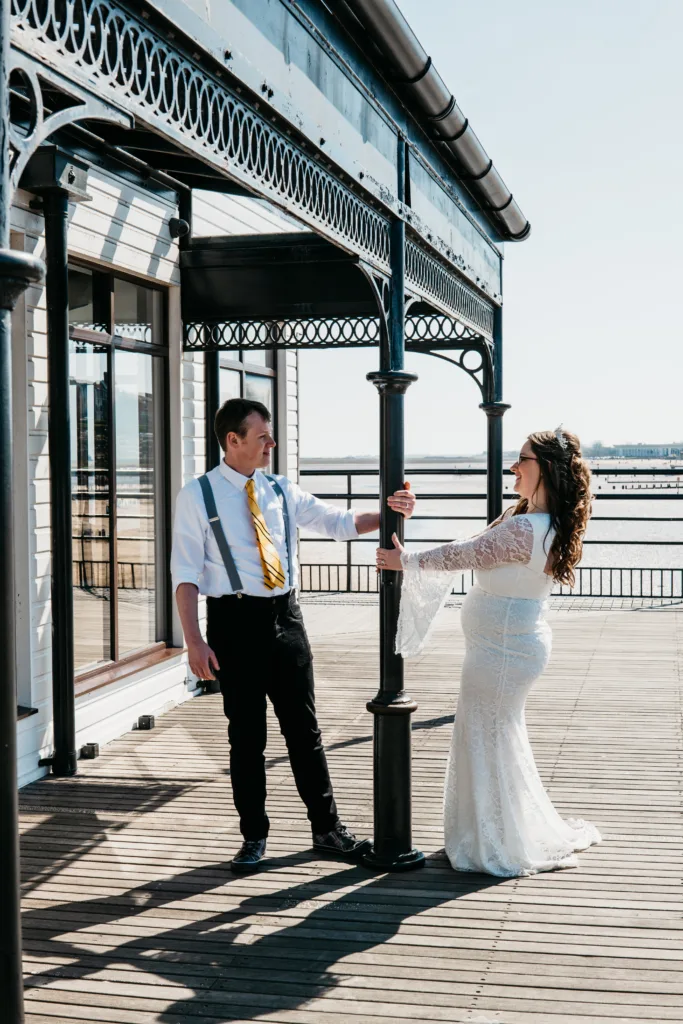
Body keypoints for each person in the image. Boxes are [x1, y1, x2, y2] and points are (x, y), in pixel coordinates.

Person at [171, 397, 415, 873]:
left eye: (271, 435)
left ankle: (327, 830)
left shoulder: (281, 490)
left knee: (305, 732)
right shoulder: (196, 496)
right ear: (233, 440)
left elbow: (340, 524)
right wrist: (193, 641)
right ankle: (253, 836)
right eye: (262, 436)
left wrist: (390, 511)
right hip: (233, 624)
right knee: (246, 738)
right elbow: (185, 573)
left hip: (287, 620)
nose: (271, 444)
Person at [376, 427, 601, 877]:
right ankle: (487, 834)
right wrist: (414, 524)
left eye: (523, 460)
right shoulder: (534, 519)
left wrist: (407, 561)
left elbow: (468, 554)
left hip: (502, 652)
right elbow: (475, 546)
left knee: (487, 739)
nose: (514, 467)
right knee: (493, 738)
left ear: (547, 470)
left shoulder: (526, 526)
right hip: (504, 647)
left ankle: (494, 842)